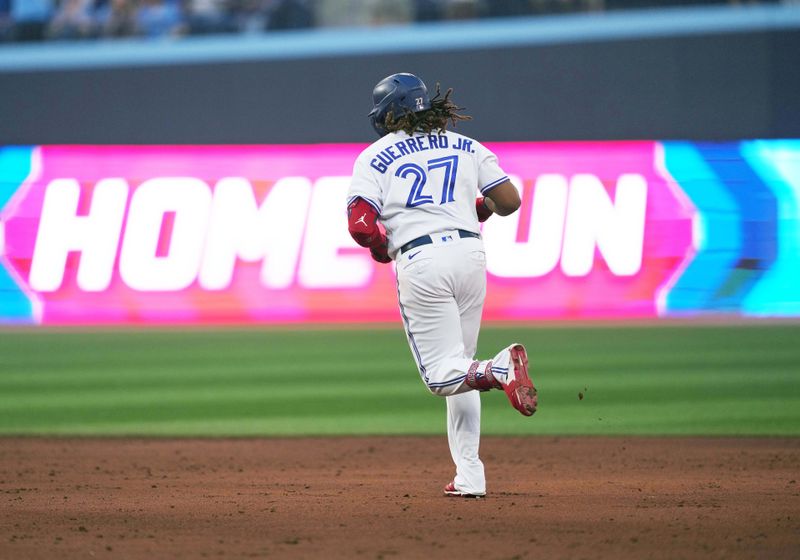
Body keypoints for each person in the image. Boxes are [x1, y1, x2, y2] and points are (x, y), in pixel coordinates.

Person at [346, 73, 537, 498]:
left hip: (421, 259)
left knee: (442, 376)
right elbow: (508, 201)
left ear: (390, 114)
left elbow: (361, 226)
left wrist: (381, 246)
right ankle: (470, 475)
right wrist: (475, 209)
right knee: (462, 365)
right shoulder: (467, 145)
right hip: (471, 256)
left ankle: (500, 367)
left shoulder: (375, 155)